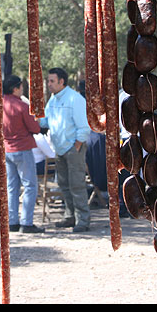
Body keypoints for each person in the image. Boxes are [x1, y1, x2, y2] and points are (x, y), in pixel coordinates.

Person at [39, 67, 92, 233]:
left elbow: (84, 126)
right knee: (64, 184)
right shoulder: (52, 101)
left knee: (77, 184)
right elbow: (45, 123)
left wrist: (76, 145)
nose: (49, 84)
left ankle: (83, 220)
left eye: (52, 81)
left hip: (73, 148)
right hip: (59, 149)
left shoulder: (75, 99)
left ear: (62, 82)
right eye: (48, 81)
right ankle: (70, 216)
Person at [2, 75, 44, 233]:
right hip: (23, 148)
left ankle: (12, 221)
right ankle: (26, 223)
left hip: (7, 149)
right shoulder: (22, 106)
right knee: (30, 186)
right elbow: (35, 128)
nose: (22, 90)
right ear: (15, 88)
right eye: (21, 87)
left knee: (12, 187)